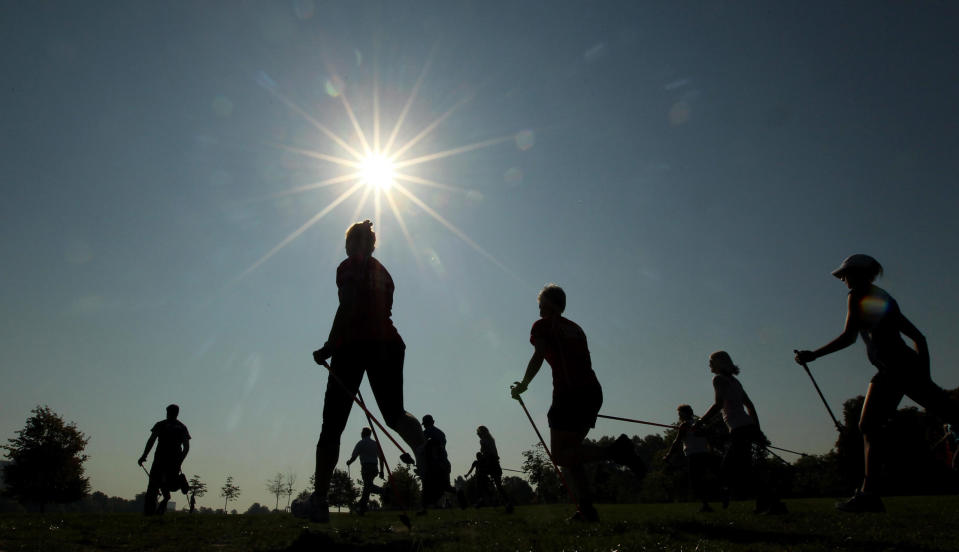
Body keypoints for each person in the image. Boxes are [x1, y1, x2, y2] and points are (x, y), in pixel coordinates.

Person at [795, 254, 959, 513]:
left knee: (869, 425)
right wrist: (924, 375)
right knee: (946, 412)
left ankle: (869, 495)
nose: (843, 280)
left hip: (894, 369)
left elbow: (849, 337)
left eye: (845, 274)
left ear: (859, 273)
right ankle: (869, 493)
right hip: (903, 367)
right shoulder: (882, 297)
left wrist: (813, 354)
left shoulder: (858, 295)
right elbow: (920, 338)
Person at [304, 220, 428, 523]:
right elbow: (380, 309)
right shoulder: (383, 272)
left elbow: (348, 306)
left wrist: (330, 347)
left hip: (353, 346)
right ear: (372, 245)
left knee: (331, 426)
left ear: (350, 244)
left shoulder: (347, 267)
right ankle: (427, 455)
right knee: (395, 414)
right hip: (388, 344)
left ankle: (319, 501)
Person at [511, 284, 645, 522]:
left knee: (561, 456)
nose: (538, 308)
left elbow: (539, 355)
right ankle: (587, 510)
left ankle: (616, 451)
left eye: (541, 303)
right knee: (572, 455)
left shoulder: (542, 325)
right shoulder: (575, 328)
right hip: (592, 392)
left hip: (568, 394)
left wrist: (524, 384)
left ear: (550, 304)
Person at [694, 351, 786, 514]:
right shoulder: (735, 382)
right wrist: (757, 429)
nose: (709, 365)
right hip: (746, 426)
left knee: (731, 469)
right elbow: (750, 406)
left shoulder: (718, 379)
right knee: (742, 468)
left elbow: (718, 404)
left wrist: (701, 421)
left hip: (739, 429)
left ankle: (771, 502)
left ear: (719, 363)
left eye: (711, 362)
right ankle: (764, 503)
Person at [138, 404, 190, 516]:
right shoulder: (182, 427)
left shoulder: (161, 425)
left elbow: (151, 440)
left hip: (159, 460)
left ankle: (149, 512)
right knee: (169, 483)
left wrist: (144, 456)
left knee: (153, 485)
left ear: (168, 412)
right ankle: (170, 493)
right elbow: (186, 447)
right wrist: (180, 461)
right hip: (174, 461)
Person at [664, 404, 717, 512]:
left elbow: (677, 442)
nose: (679, 416)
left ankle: (706, 505)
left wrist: (668, 455)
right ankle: (707, 503)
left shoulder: (685, 425)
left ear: (684, 413)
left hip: (694, 455)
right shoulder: (699, 424)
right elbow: (707, 437)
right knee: (702, 479)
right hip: (704, 453)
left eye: (680, 413)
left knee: (696, 482)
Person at [418, 415, 463, 513]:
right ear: (433, 422)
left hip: (435, 464)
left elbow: (423, 446)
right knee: (445, 486)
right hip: (444, 463)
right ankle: (459, 492)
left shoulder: (426, 433)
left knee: (427, 484)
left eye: (425, 424)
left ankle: (424, 508)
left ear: (426, 424)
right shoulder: (441, 433)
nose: (425, 426)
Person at [464, 426, 513, 512]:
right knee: (496, 485)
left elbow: (487, 453)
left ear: (482, 433)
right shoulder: (490, 440)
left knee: (481, 481)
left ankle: (483, 499)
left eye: (478, 432)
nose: (477, 434)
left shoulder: (483, 441)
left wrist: (485, 462)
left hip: (490, 463)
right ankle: (506, 502)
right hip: (494, 462)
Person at [345, 427, 383, 515]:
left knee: (368, 487)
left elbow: (354, 456)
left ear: (363, 434)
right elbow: (381, 458)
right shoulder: (375, 444)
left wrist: (349, 462)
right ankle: (362, 508)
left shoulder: (360, 443)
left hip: (366, 467)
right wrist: (382, 471)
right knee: (367, 487)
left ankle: (383, 491)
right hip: (374, 468)